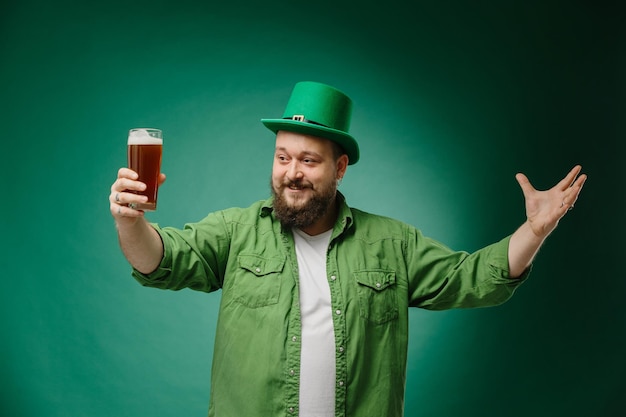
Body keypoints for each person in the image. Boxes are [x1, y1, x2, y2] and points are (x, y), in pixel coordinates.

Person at [109, 81, 586, 417]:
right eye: (282, 157)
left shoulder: (392, 243)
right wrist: (131, 221)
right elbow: (160, 260)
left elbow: (474, 278)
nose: (291, 172)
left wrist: (535, 230)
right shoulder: (237, 231)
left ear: (339, 169)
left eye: (308, 160)